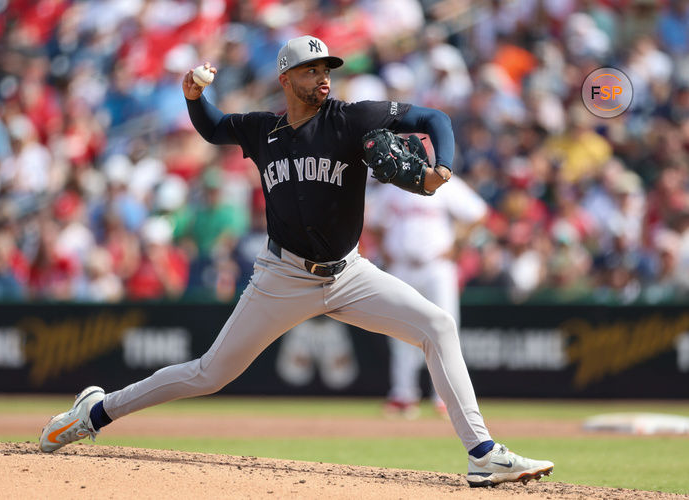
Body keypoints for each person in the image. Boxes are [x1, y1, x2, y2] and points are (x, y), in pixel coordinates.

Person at [38, 35, 554, 488]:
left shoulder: (353, 119)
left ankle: (484, 456)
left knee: (437, 325)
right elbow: (214, 127)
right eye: (311, 70)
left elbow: (433, 118)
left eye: (327, 69)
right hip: (282, 276)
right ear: (286, 77)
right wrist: (193, 96)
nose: (323, 78)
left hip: (350, 273)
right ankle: (97, 411)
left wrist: (442, 165)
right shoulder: (263, 129)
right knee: (208, 374)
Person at [366, 175, 487, 419]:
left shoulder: (443, 183)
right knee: (399, 329)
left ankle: (444, 398)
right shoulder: (393, 186)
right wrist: (384, 250)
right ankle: (402, 394)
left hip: (436, 267)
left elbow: (479, 213)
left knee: (445, 328)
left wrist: (458, 245)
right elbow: (373, 222)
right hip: (402, 266)